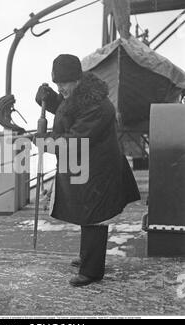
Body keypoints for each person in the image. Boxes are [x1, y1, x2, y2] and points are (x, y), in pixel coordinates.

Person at [34, 54, 140, 287]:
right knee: (87, 211)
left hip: (100, 169)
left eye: (64, 83)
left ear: (78, 80)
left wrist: (42, 142)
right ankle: (86, 256)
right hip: (87, 165)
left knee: (95, 215)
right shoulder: (81, 97)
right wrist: (50, 98)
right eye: (57, 83)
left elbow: (73, 140)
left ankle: (91, 271)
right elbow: (69, 110)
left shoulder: (98, 107)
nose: (61, 88)